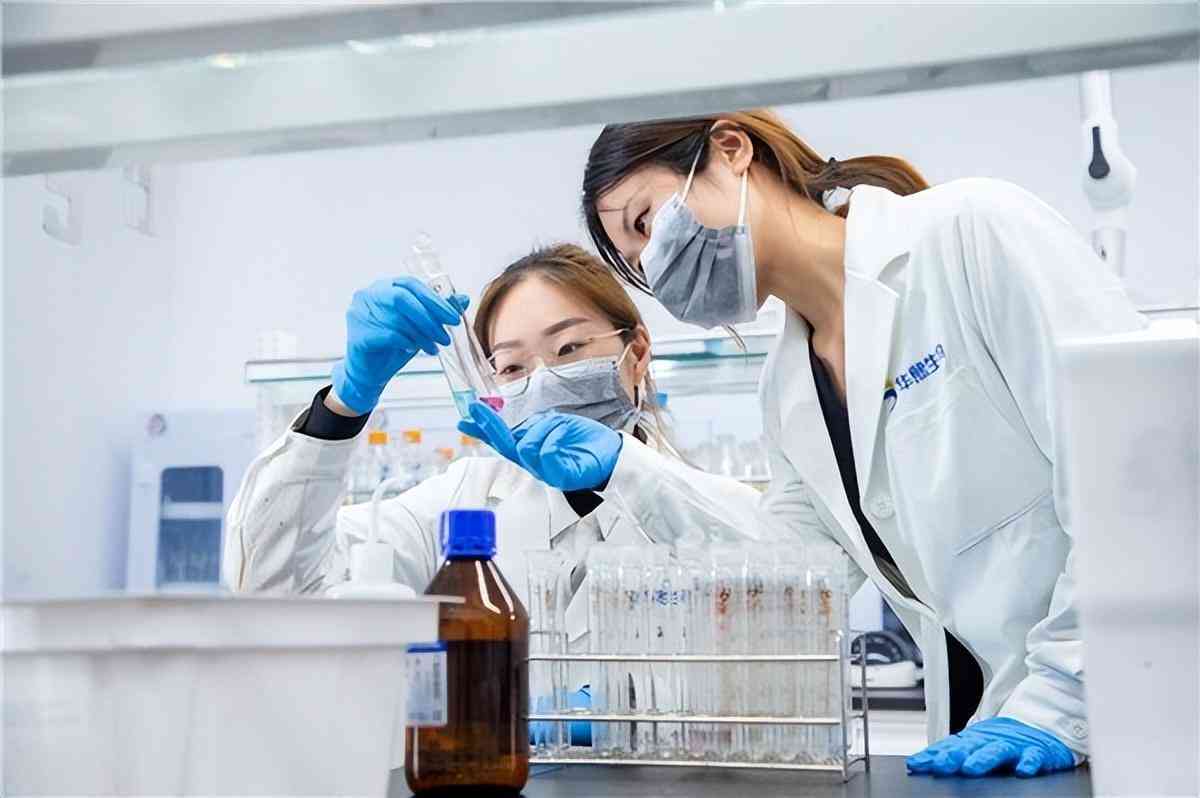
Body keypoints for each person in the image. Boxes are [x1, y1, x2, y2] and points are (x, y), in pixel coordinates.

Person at [556, 109, 1144, 778]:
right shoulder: (787, 386)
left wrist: (1062, 698)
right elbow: (795, 569)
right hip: (981, 736)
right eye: (639, 263)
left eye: (646, 222)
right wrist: (629, 470)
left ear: (732, 149)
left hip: (1117, 707)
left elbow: (1134, 475)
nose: (660, 265)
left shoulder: (970, 234)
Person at [223, 243, 773, 648]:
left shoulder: (713, 503)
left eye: (569, 348)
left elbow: (791, 584)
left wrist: (622, 470)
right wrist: (343, 405)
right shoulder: (462, 504)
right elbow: (275, 589)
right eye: (511, 367)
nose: (544, 380)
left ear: (638, 351)